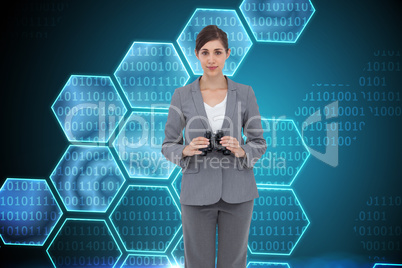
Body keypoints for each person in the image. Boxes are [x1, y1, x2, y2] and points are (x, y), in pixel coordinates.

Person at [161, 25, 267, 268]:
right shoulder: (181, 95)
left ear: (228, 53)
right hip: (196, 192)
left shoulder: (245, 93)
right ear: (197, 54)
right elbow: (168, 144)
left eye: (218, 52)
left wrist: (241, 150)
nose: (211, 59)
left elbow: (259, 143)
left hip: (238, 193)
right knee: (197, 263)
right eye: (205, 52)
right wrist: (184, 150)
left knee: (234, 263)